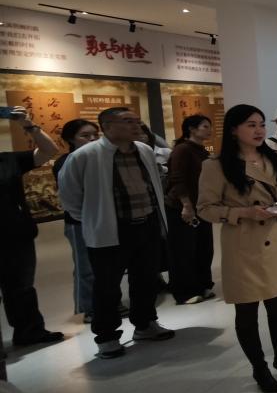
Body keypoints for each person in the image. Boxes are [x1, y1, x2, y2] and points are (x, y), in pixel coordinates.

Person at [197, 104, 277, 393]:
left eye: (261, 124)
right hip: (245, 246)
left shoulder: (272, 157)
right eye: (251, 125)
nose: (258, 130)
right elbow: (205, 209)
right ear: (233, 129)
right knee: (247, 311)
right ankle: (259, 368)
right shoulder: (216, 165)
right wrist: (244, 213)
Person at [58, 107, 175, 358]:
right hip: (111, 229)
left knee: (146, 279)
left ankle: (145, 324)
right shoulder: (85, 155)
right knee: (107, 286)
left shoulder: (143, 150)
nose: (136, 125)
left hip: (146, 224)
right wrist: (96, 219)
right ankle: (107, 336)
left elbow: (153, 184)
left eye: (137, 121)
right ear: (107, 126)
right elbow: (70, 196)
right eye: (128, 121)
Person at [0, 107, 64, 350]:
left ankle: (29, 332)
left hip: (16, 235)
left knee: (21, 288)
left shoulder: (7, 160)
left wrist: (29, 125)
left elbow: (49, 151)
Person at [53, 118, 100, 325]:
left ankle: (105, 303)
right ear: (71, 139)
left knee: (104, 264)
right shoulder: (66, 161)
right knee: (85, 266)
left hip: (100, 218)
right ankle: (88, 308)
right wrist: (83, 216)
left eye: (95, 135)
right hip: (78, 221)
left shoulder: (99, 157)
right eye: (85, 135)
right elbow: (69, 196)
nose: (92, 139)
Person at [165, 114, 215, 305]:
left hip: (201, 205)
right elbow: (177, 179)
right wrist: (186, 205)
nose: (209, 130)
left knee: (203, 247)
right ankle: (184, 291)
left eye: (209, 126)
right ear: (191, 129)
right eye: (204, 126)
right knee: (184, 250)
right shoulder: (182, 150)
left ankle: (202, 285)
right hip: (182, 206)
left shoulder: (200, 150)